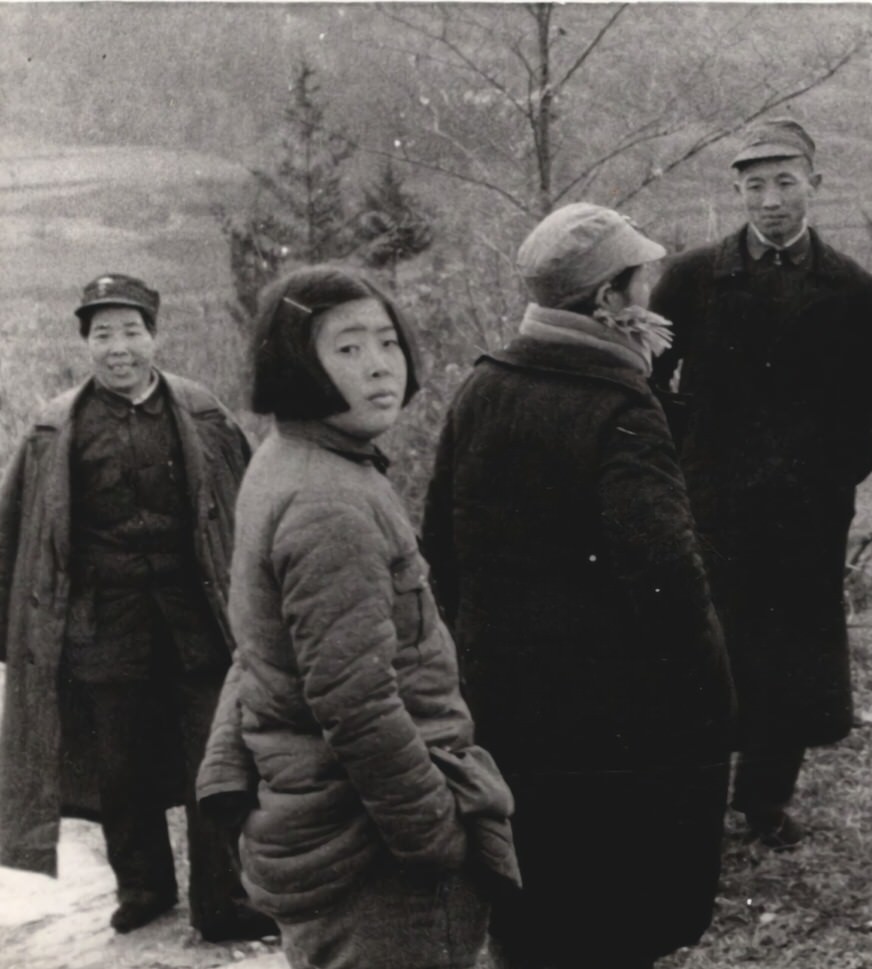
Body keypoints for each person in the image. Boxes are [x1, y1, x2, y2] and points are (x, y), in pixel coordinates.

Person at [424, 204, 735, 969]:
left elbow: (440, 552)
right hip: (609, 732)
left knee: (530, 922)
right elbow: (669, 584)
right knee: (611, 927)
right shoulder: (621, 407)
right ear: (607, 302)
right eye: (642, 283)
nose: (652, 299)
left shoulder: (482, 387)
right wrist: (711, 704)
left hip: (501, 714)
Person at [195, 265, 519, 969]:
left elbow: (261, 652)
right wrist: (435, 834)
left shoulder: (297, 458)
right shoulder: (328, 500)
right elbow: (357, 703)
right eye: (347, 348)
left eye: (387, 342)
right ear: (294, 363)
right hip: (377, 859)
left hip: (332, 825)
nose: (378, 366)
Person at [0, 273, 270, 941]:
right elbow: (14, 535)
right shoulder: (51, 430)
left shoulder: (203, 413)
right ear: (85, 343)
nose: (117, 347)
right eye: (102, 334)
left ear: (154, 335)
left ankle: (225, 899)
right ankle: (144, 886)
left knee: (218, 757)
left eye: (130, 331)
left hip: (196, 623)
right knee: (121, 770)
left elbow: (253, 505)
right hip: (103, 629)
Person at [648, 118, 872, 849]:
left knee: (789, 658)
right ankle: (691, 802)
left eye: (786, 183)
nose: (771, 201)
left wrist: (828, 478)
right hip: (711, 507)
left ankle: (765, 799)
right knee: (707, 650)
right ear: (736, 193)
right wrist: (686, 460)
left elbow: (869, 402)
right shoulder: (692, 277)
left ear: (814, 185)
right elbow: (649, 382)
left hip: (805, 514)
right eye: (755, 186)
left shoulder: (850, 287)